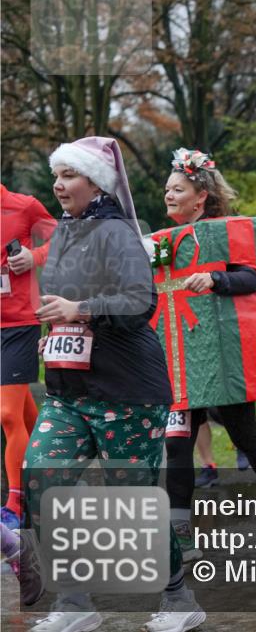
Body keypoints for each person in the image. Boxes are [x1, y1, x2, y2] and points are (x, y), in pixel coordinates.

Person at [28, 136, 204, 631]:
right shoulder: (66, 229)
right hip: (69, 392)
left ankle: (178, 600)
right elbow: (61, 300)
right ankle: (75, 606)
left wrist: (80, 311)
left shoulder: (116, 231)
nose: (59, 185)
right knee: (43, 480)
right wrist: (55, 333)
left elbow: (140, 302)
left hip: (128, 392)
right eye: (57, 176)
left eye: (70, 176)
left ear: (95, 182)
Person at [160, 148, 256, 564]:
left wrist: (216, 278)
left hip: (223, 359)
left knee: (246, 438)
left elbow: (250, 277)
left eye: (177, 189)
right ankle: (182, 535)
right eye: (167, 188)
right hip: (181, 361)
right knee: (176, 445)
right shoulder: (161, 245)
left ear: (200, 197)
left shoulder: (225, 231)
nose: (168, 195)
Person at [1, 184, 56, 530]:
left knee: (7, 415)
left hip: (19, 323)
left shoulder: (24, 207)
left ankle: (16, 503)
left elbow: (64, 241)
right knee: (22, 413)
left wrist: (34, 257)